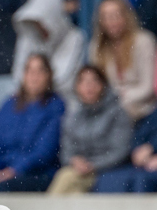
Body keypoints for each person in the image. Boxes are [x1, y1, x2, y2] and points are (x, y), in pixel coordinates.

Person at [96, 65, 157, 192]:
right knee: (108, 179)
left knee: (142, 182)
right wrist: (139, 152)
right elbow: (141, 133)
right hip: (147, 162)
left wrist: (154, 148)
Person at [0, 52, 65, 191]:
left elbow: (44, 151)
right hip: (2, 172)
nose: (34, 76)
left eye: (40, 71)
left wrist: (13, 171)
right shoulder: (9, 104)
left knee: (1, 189)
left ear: (48, 76)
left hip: (37, 174)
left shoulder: (55, 106)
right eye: (30, 70)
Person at [49, 64, 133, 193]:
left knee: (65, 177)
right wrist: (74, 161)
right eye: (83, 81)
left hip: (105, 170)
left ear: (103, 85)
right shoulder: (72, 116)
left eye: (94, 80)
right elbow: (66, 150)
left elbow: (120, 151)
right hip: (79, 170)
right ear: (77, 87)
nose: (89, 86)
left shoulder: (117, 113)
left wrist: (92, 165)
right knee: (74, 194)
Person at [89, 0, 157, 122]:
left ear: (126, 16)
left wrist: (120, 98)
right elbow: (97, 85)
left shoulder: (144, 41)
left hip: (143, 111)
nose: (112, 21)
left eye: (116, 15)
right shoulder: (96, 47)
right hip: (109, 112)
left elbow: (149, 86)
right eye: (106, 17)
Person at [11, 0, 84, 92]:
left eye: (43, 22)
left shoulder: (76, 38)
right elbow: (18, 75)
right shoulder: (28, 36)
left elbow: (65, 81)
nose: (40, 28)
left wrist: (35, 82)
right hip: (27, 101)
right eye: (35, 23)